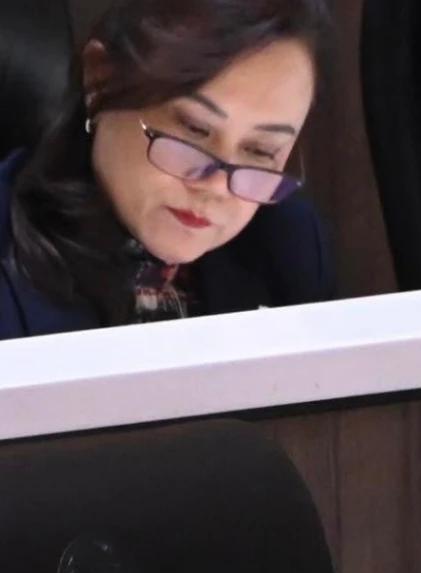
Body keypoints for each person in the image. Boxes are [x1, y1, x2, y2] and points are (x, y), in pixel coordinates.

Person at [0, 0, 334, 340]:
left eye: (260, 151)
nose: (217, 186)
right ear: (100, 79)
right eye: (193, 129)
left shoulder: (289, 246)